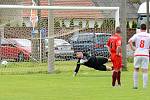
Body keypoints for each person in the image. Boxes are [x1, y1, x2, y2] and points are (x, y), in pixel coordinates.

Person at [128, 24, 150, 89]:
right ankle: (144, 87)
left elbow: (130, 41)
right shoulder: (149, 35)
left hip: (137, 53)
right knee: (145, 70)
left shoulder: (137, 35)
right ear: (146, 29)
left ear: (140, 29)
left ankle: (135, 86)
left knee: (136, 69)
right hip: (145, 54)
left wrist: (132, 48)